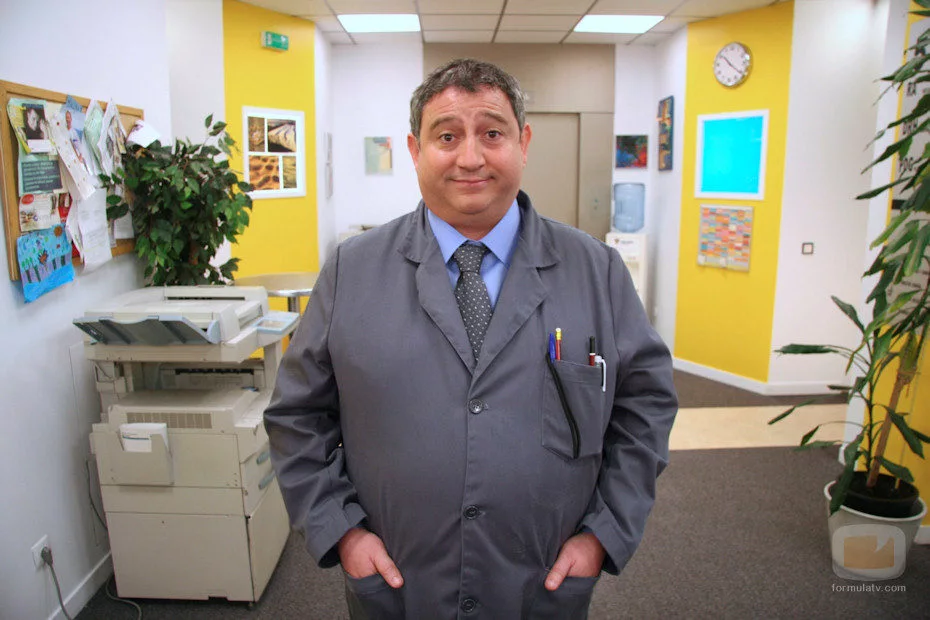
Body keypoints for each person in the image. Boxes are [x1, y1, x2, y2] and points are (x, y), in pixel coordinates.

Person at [264, 58, 678, 619]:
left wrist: (603, 534)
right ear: (415, 150)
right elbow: (297, 416)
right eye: (447, 136)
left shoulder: (596, 270)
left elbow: (644, 406)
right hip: (400, 584)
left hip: (541, 584)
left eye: (492, 133)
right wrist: (341, 531)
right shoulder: (351, 271)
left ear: (523, 143)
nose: (470, 157)